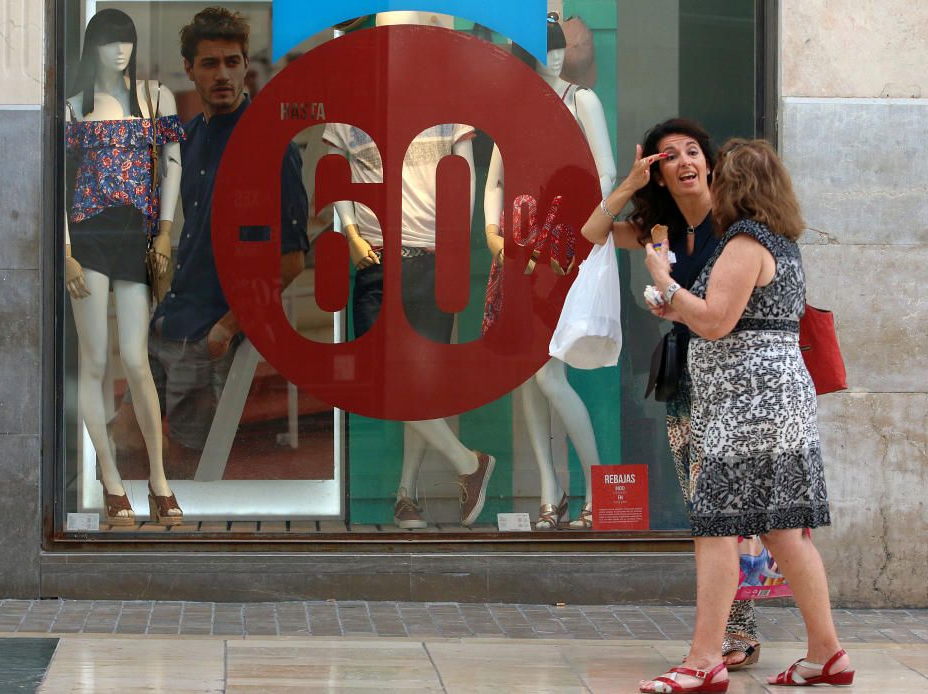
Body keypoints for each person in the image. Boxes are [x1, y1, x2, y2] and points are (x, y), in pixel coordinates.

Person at [638, 139, 850, 692]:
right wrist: (675, 298)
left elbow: (713, 322)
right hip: (782, 407)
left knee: (715, 529)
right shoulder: (782, 242)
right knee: (784, 533)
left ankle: (703, 659)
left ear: (734, 187)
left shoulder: (745, 239)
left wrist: (664, 279)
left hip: (745, 410)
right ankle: (827, 654)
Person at [582, 119, 760, 667]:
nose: (683, 162)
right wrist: (631, 184)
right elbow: (594, 232)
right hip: (685, 382)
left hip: (735, 383)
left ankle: (742, 631)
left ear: (708, 163)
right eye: (668, 156)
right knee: (703, 508)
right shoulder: (657, 230)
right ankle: (730, 628)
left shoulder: (735, 224)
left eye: (691, 152)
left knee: (736, 511)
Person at [321, 11, 494, 529]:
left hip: (431, 257)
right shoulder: (349, 108)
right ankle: (469, 463)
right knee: (384, 379)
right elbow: (337, 178)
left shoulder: (449, 104)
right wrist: (350, 235)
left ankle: (405, 495)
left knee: (419, 384)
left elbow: (462, 178)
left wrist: (456, 251)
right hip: (375, 254)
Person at [147, 7, 309, 465]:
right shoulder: (190, 137)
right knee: (125, 438)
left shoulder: (268, 144)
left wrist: (229, 326)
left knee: (184, 458)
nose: (223, 74)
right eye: (210, 63)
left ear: (245, 66)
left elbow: (291, 262)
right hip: (169, 318)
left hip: (210, 330)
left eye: (232, 62)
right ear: (189, 70)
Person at [483, 13, 615, 530]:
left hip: (561, 252)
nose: (554, 57)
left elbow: (605, 173)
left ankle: (598, 484)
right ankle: (550, 490)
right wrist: (491, 232)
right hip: (516, 251)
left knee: (548, 373)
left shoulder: (581, 101)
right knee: (525, 374)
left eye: (559, 46)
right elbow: (495, 180)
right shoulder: (513, 112)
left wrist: (578, 233)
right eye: (545, 47)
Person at [64, 8, 185, 525]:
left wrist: (163, 229)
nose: (120, 51)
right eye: (110, 42)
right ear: (92, 47)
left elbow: (173, 161)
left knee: (136, 360)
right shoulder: (73, 109)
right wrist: (66, 251)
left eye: (127, 42)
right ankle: (112, 484)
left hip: (135, 237)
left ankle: (159, 479)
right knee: (94, 363)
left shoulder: (156, 98)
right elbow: (60, 182)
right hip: (88, 237)